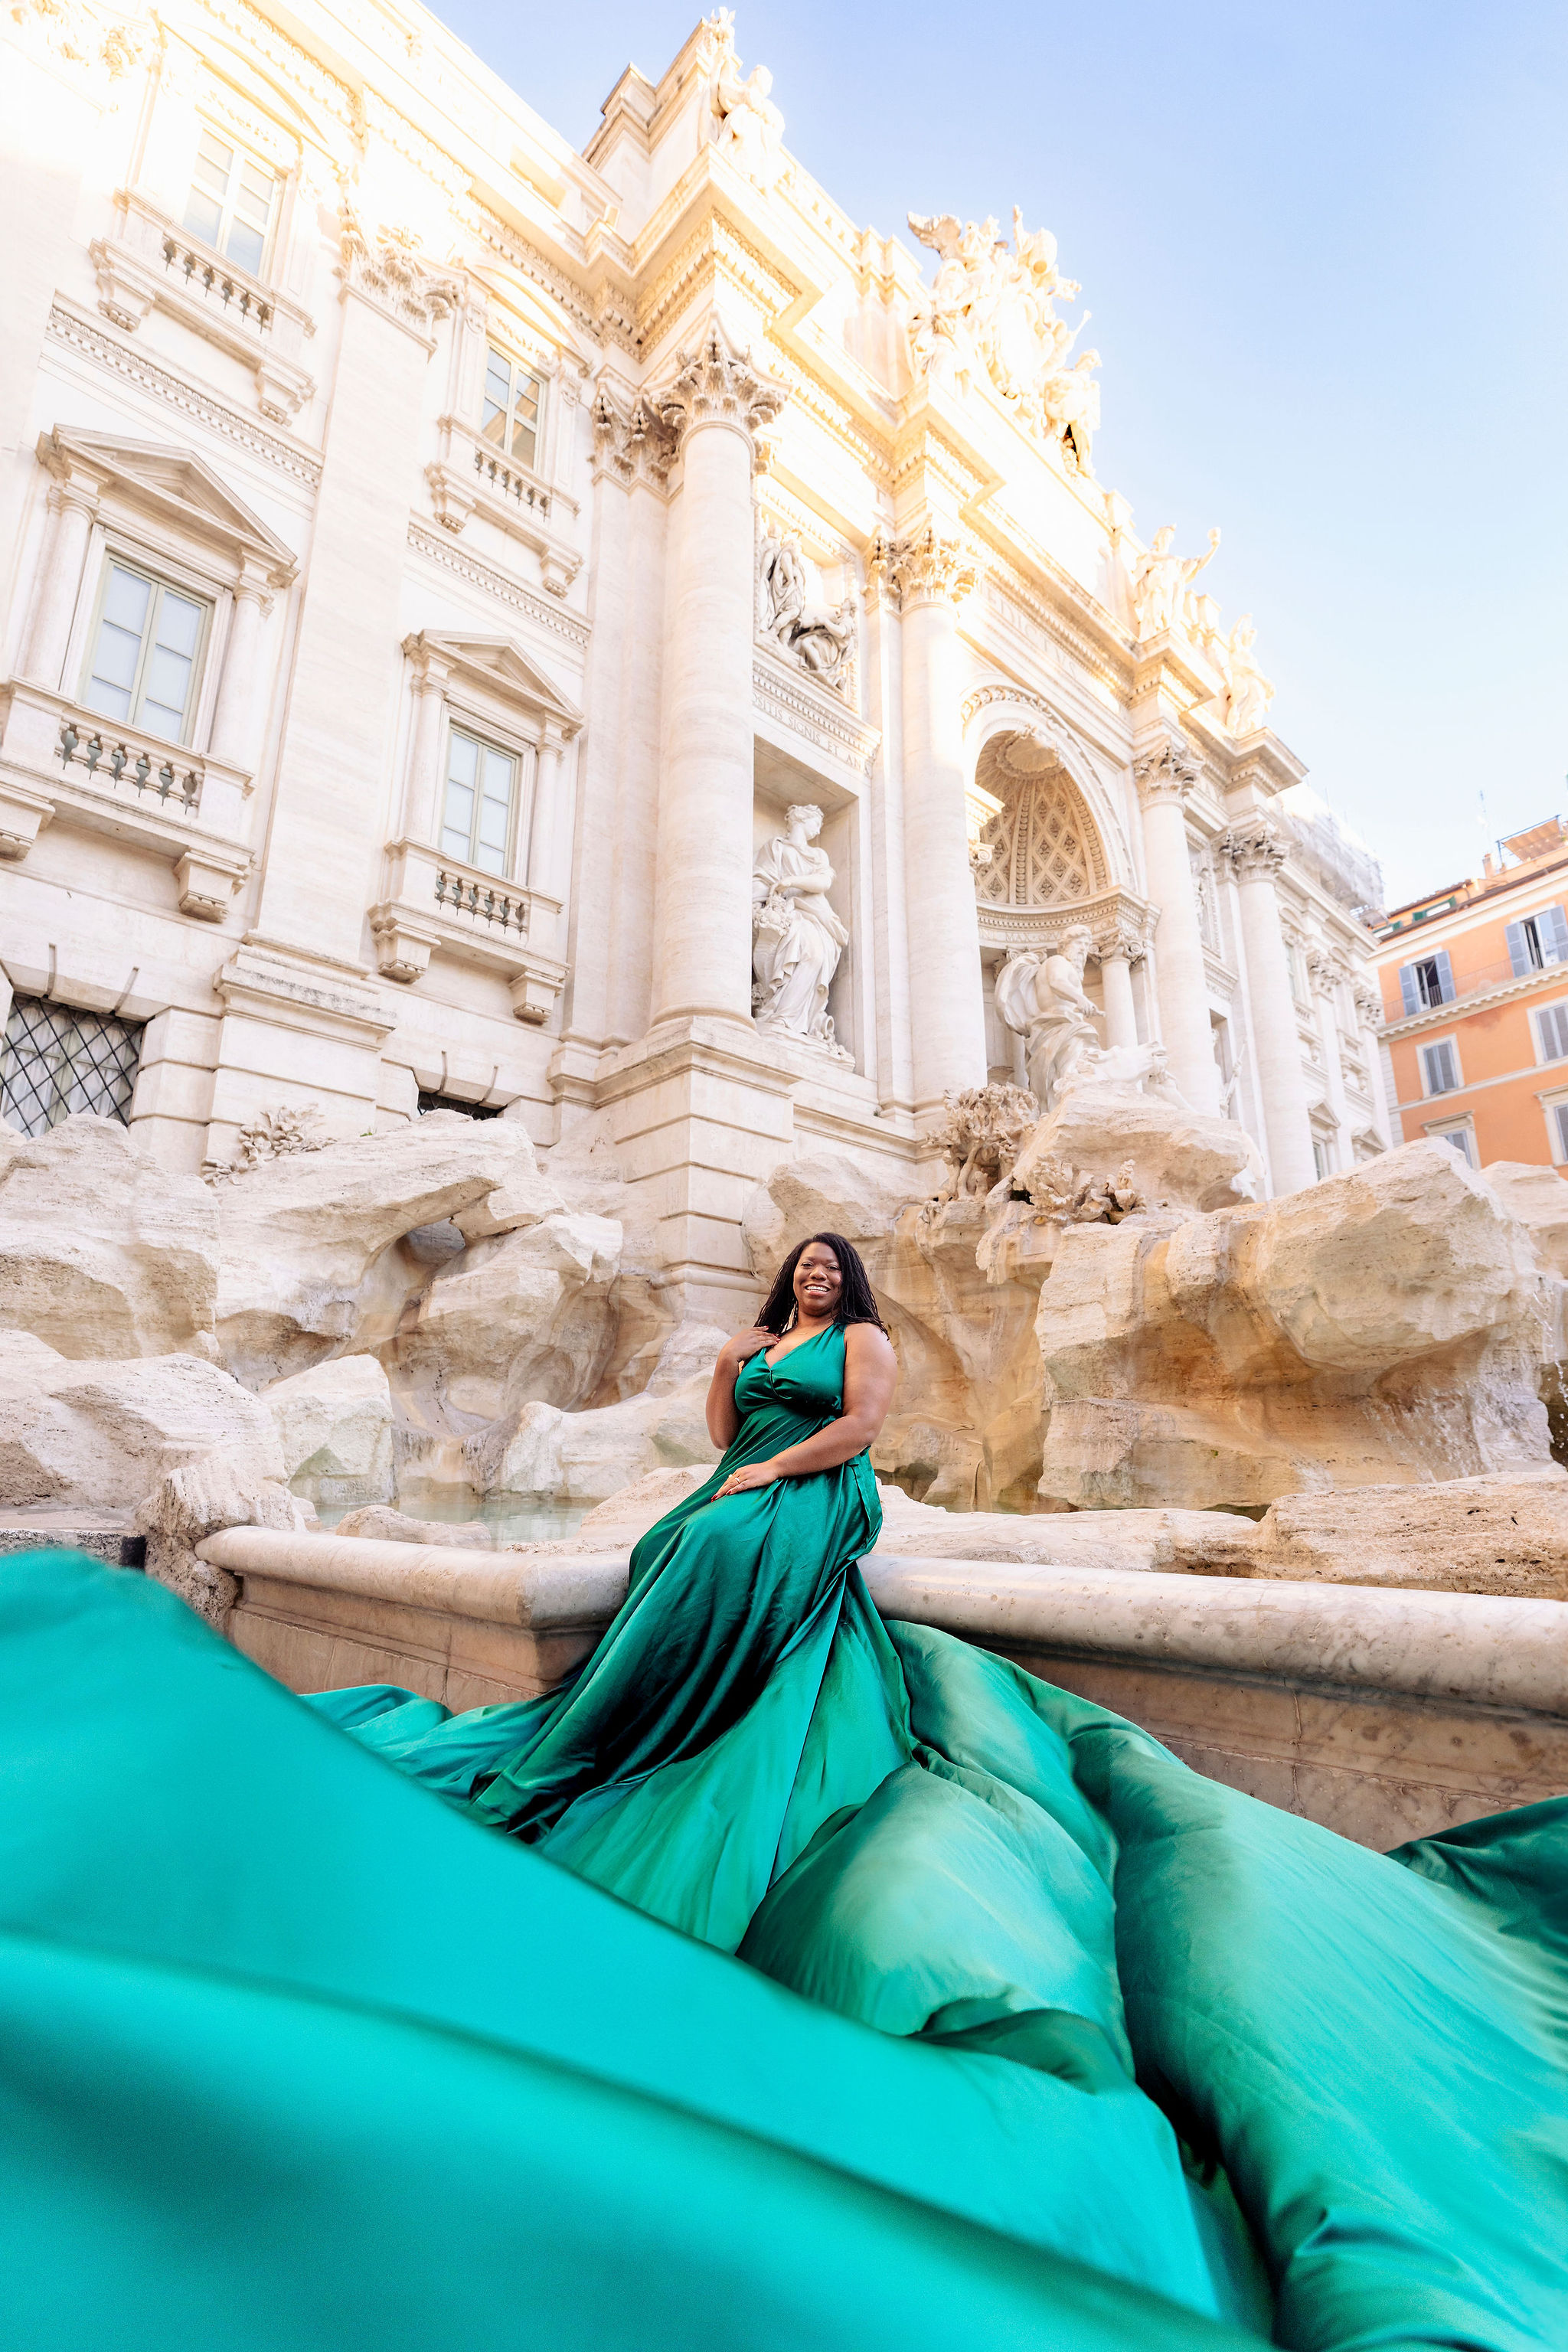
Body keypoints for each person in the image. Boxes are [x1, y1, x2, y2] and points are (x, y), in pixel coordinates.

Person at [2, 1232, 1566, 2347]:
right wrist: (730, 1398)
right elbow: (715, 1428)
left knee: (723, 1539)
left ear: (851, 1289)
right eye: (801, 1279)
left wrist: (769, 1462)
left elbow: (857, 1432)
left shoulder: (861, 1347)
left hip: (816, 1497)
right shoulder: (757, 1340)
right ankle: (633, 1719)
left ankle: (677, 1711)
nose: (815, 1287)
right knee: (680, 1539)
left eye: (828, 1277)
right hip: (741, 1477)